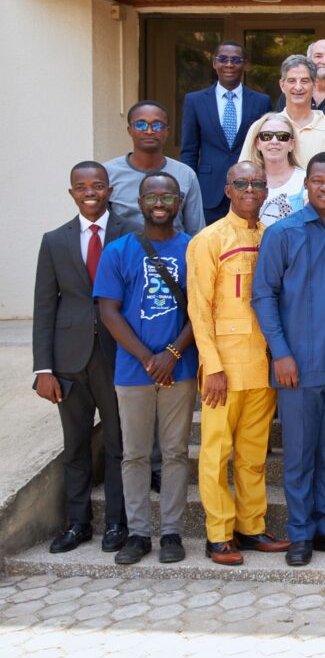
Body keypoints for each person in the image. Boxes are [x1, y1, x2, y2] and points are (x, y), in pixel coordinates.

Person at [251, 153, 325, 567]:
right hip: (297, 364)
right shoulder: (283, 233)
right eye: (318, 181)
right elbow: (263, 296)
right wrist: (280, 353)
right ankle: (300, 533)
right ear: (307, 184)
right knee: (299, 455)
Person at [186, 162, 291, 566]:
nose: (250, 190)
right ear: (227, 190)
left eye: (257, 184)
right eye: (241, 183)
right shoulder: (208, 239)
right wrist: (211, 366)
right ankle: (218, 535)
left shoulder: (272, 236)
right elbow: (199, 310)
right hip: (224, 370)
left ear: (266, 191)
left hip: (262, 365)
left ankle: (251, 526)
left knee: (253, 455)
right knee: (215, 454)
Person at [94, 172, 198, 565]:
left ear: (178, 203)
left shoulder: (193, 249)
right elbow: (109, 311)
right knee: (135, 454)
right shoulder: (118, 250)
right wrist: (147, 358)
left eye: (167, 196)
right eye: (151, 196)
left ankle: (171, 532)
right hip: (133, 371)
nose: (159, 202)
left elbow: (201, 310)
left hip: (180, 369)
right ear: (139, 203)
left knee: (175, 453)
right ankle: (138, 534)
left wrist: (171, 353)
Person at [32, 162, 131, 555]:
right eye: (82, 186)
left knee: (118, 444)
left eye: (98, 185)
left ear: (110, 190)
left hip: (116, 355)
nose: (90, 192)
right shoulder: (54, 240)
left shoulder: (130, 234)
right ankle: (77, 524)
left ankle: (117, 523)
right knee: (74, 445)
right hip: (68, 359)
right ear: (72, 192)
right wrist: (43, 368)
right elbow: (44, 307)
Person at [180, 41, 272, 223]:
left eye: (235, 60)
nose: (229, 64)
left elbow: (265, 149)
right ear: (214, 63)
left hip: (249, 190)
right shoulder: (195, 101)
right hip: (208, 190)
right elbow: (189, 151)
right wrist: (189, 188)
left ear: (245, 65)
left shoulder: (261, 101)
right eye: (223, 59)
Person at [106, 101, 205, 235]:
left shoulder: (185, 174)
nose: (149, 131)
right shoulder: (109, 173)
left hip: (175, 247)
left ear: (167, 131)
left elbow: (196, 232)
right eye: (140, 124)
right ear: (130, 130)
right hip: (124, 247)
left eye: (157, 125)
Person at [241, 55, 325, 171]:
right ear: (282, 85)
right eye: (292, 81)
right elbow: (243, 173)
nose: (298, 87)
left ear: (314, 85)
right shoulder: (261, 128)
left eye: (304, 81)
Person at [244, 113, 305, 227]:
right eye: (266, 136)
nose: (274, 141)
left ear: (292, 144)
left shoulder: (307, 181)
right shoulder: (244, 182)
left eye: (282, 136)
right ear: (257, 143)